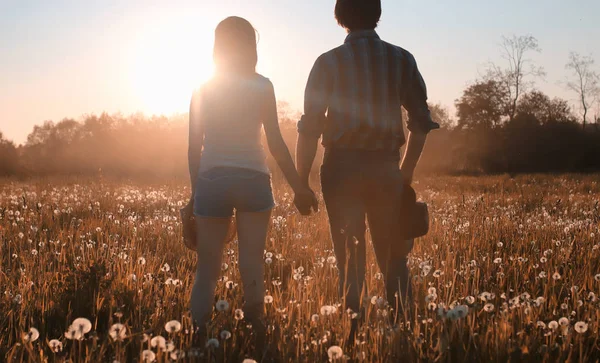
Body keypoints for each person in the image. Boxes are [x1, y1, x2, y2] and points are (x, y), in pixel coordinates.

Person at [296, 0, 439, 333]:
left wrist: (302, 182)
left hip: (341, 169)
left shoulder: (327, 62)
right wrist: (406, 172)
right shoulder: (402, 59)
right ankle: (403, 330)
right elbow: (421, 123)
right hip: (386, 168)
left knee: (349, 254)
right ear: (377, 14)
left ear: (339, 17)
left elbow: (310, 128)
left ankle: (354, 330)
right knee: (394, 256)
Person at [185, 16, 318, 343]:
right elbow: (275, 143)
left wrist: (195, 193)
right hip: (253, 178)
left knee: (207, 268)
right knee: (251, 261)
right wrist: (299, 187)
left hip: (211, 179)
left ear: (218, 47)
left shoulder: (203, 88)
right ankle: (256, 329)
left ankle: (198, 336)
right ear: (250, 46)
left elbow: (193, 147)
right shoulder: (262, 85)